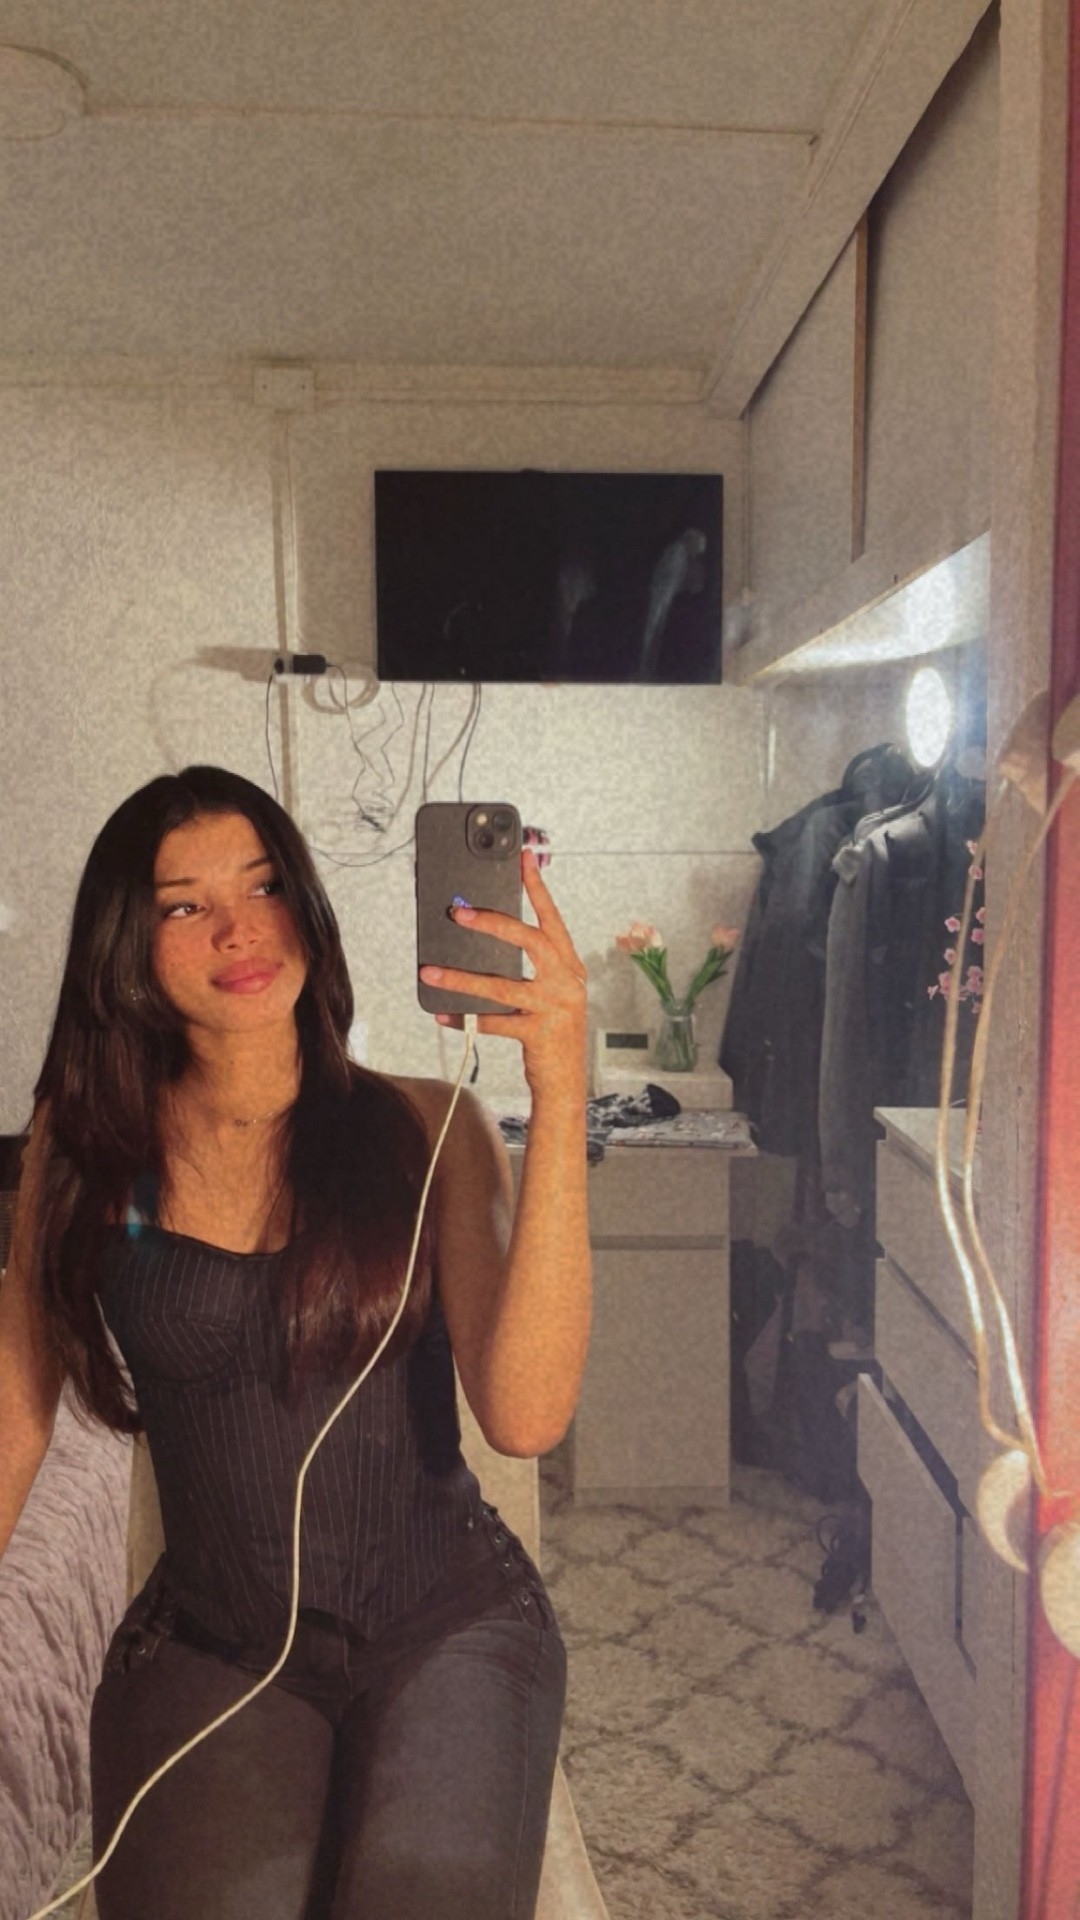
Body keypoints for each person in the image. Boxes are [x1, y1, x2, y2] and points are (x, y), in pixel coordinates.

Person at [0, 765, 592, 1920]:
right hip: (216, 1642)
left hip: (449, 1626)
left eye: (264, 884)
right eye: (183, 904)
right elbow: (18, 1410)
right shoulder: (85, 1146)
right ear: (127, 946)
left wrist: (562, 1094)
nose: (239, 929)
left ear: (307, 904)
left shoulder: (430, 1124)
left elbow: (526, 1417)